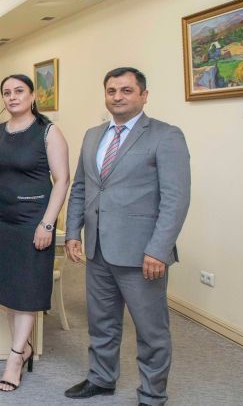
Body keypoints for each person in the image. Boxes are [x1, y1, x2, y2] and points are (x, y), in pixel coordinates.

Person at [63, 67, 191, 406]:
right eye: (111, 91)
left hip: (142, 253)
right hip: (98, 249)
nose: (117, 97)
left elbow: (175, 199)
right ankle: (101, 378)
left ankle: (152, 393)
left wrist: (159, 250)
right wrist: (72, 232)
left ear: (144, 96)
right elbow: (81, 188)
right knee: (101, 322)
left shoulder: (166, 136)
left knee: (150, 330)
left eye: (126, 90)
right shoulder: (93, 135)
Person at [0, 74, 70, 391]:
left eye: (19, 91)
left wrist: (47, 223)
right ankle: (24, 347)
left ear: (32, 96)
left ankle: (15, 358)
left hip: (33, 221)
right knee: (8, 290)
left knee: (27, 291)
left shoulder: (48, 132)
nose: (12, 97)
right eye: (7, 92)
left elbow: (62, 180)